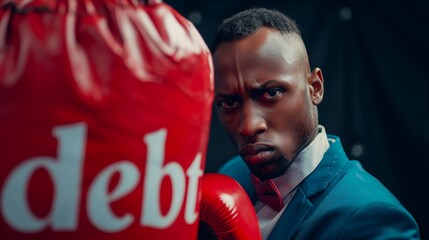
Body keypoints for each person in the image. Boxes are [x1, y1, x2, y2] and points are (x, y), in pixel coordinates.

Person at [212, 7, 420, 240]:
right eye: (229, 102)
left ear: (315, 88)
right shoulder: (231, 176)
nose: (249, 126)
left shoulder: (371, 217)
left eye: (272, 93)